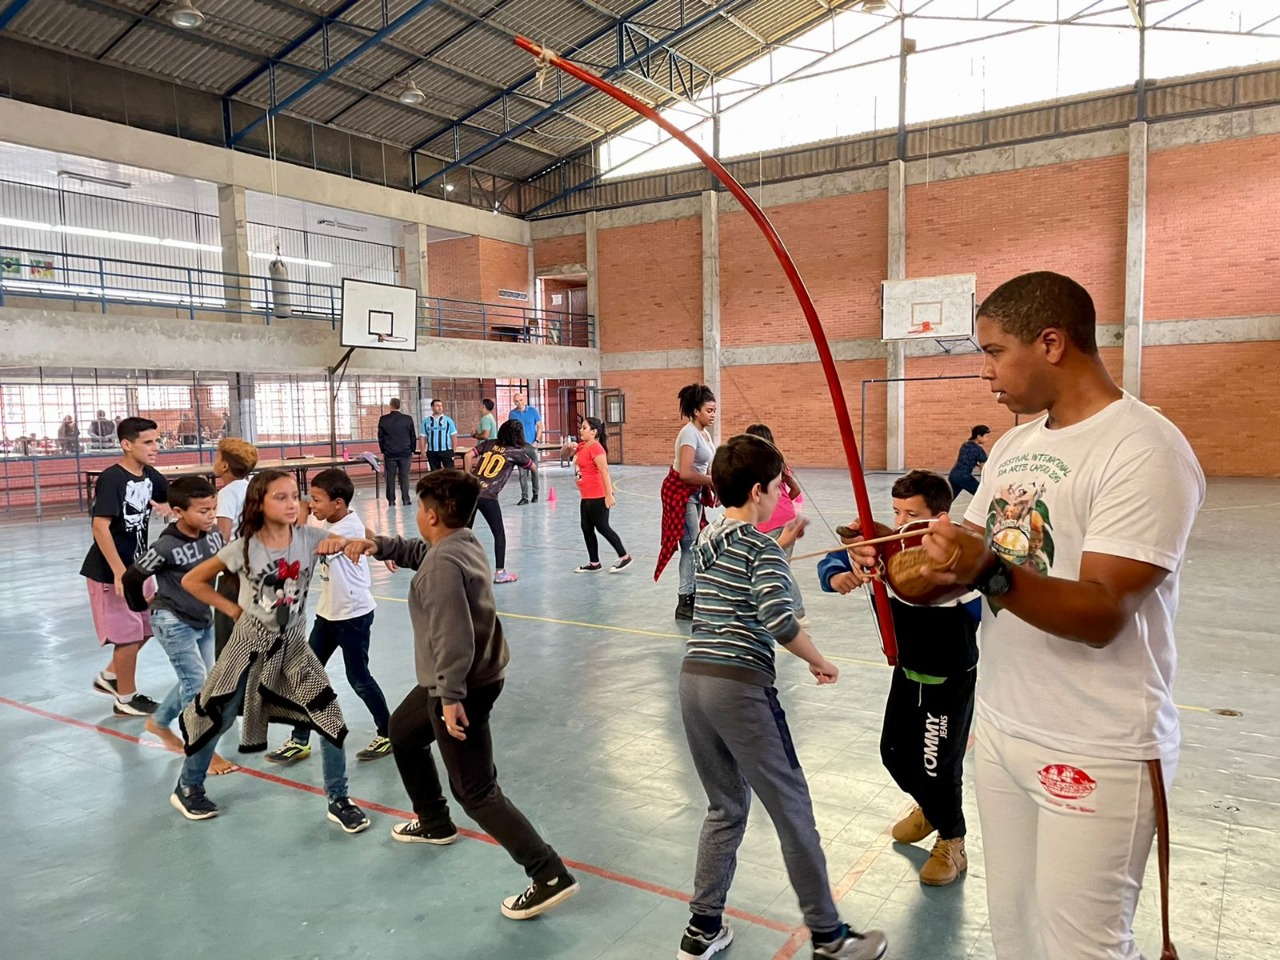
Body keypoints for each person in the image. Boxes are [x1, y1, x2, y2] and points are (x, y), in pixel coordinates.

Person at [850, 271, 1204, 960]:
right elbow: (952, 573)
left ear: (1050, 343)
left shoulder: (1143, 448)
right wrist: (901, 567)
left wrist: (983, 568)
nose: (985, 374)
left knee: (1082, 948)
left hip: (1098, 743)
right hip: (1006, 729)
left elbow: (1104, 611)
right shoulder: (1013, 448)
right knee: (1014, 937)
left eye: (993, 352)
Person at [324, 470, 580, 920]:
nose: (417, 516)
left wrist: (450, 697)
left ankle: (549, 873)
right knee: (402, 732)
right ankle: (434, 821)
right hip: (463, 677)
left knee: (477, 790)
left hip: (462, 684)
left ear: (431, 514)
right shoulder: (460, 541)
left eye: (420, 508)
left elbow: (453, 637)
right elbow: (421, 552)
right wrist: (378, 544)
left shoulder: (443, 565)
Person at [677, 434, 886, 960]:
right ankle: (830, 937)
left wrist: (782, 541)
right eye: (775, 486)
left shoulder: (708, 538)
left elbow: (745, 572)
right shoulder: (761, 547)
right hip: (739, 687)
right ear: (757, 490)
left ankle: (702, 928)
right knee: (792, 809)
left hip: (694, 681)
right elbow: (777, 617)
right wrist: (820, 660)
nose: (778, 493)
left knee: (725, 806)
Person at [172, 470, 370, 833]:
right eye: (280, 497)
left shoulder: (311, 536)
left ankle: (339, 798)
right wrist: (232, 610)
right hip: (248, 647)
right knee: (218, 715)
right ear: (259, 504)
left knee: (329, 717)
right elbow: (192, 581)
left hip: (293, 645)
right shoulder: (244, 546)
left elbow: (355, 540)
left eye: (295, 496)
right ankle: (189, 785)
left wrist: (371, 546)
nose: (292, 503)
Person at [818, 470, 980, 886]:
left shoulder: (955, 559)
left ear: (940, 518)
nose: (902, 522)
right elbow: (839, 558)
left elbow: (987, 601)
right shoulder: (888, 548)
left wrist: (952, 578)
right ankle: (931, 808)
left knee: (938, 767)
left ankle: (952, 838)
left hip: (946, 678)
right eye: (896, 512)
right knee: (893, 753)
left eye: (912, 513)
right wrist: (842, 569)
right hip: (908, 671)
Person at [265, 468, 392, 765]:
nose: (312, 504)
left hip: (353, 615)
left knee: (358, 678)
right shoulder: (342, 519)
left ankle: (388, 732)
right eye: (311, 498)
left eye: (318, 500)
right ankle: (299, 740)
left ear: (337, 503)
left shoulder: (343, 531)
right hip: (328, 614)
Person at [121, 476, 237, 776]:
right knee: (198, 690)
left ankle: (158, 723)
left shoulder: (213, 536)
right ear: (178, 511)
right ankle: (203, 755)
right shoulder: (165, 546)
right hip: (173, 621)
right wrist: (140, 609)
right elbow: (132, 577)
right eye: (203, 511)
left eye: (213, 508)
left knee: (195, 680)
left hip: (202, 618)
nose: (211, 516)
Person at [81, 417, 170, 717]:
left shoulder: (148, 475)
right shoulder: (113, 479)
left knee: (149, 625)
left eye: (156, 441)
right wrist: (119, 571)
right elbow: (100, 527)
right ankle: (126, 698)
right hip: (111, 571)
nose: (155, 447)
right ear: (126, 445)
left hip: (139, 567)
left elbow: (168, 496)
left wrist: (170, 506)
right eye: (148, 442)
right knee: (128, 635)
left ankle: (110, 676)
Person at [655, 383, 717, 621]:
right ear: (696, 411)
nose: (713, 415)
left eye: (714, 410)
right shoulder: (689, 433)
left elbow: (707, 464)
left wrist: (714, 483)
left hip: (695, 492)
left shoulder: (704, 434)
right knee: (690, 545)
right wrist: (713, 482)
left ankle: (692, 592)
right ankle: (685, 601)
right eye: (709, 410)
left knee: (695, 543)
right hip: (680, 491)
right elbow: (686, 473)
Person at [744, 424, 808, 627]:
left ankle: (797, 612)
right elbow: (795, 490)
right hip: (788, 518)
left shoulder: (751, 467)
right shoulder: (778, 462)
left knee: (772, 566)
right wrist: (784, 506)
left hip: (769, 523)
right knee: (780, 566)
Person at [463, 420, 534, 584]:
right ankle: (500, 572)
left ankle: (459, 567)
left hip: (471, 492)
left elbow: (467, 455)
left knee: (464, 532)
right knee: (499, 533)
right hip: (488, 495)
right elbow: (532, 467)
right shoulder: (516, 452)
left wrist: (469, 478)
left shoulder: (488, 444)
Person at [213, 437, 259, 657]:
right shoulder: (251, 488)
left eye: (217, 456)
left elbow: (222, 536)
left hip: (232, 570)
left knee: (226, 633)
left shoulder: (227, 493)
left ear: (224, 465)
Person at [573, 416, 631, 573]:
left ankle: (624, 556)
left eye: (584, 428)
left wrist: (608, 494)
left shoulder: (596, 448)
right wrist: (568, 447)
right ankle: (594, 563)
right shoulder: (581, 446)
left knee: (603, 527)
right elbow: (566, 454)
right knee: (586, 527)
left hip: (597, 494)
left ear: (594, 432)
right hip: (585, 495)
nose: (581, 430)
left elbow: (604, 471)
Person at [378, 397, 417, 506]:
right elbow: (412, 436)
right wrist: (412, 449)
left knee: (390, 477)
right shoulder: (408, 419)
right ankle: (406, 499)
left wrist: (383, 450)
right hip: (405, 452)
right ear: (399, 406)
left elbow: (380, 438)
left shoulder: (383, 419)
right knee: (404, 476)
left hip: (390, 453)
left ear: (390, 406)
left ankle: (391, 500)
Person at [508, 393, 542, 505]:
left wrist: (536, 441)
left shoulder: (532, 411)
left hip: (531, 445)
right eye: (516, 401)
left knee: (534, 470)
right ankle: (524, 497)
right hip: (520, 446)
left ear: (524, 400)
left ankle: (535, 493)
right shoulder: (512, 414)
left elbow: (540, 426)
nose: (519, 403)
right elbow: (511, 430)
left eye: (521, 400)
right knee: (522, 474)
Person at [947, 425, 990, 497]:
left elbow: (966, 459)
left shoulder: (965, 445)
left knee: (948, 499)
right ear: (979, 436)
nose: (987, 439)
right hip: (964, 476)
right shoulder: (979, 450)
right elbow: (983, 468)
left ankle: (936, 508)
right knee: (981, 495)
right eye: (986, 436)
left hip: (954, 474)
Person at [422, 398, 458, 471]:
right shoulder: (426, 421)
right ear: (432, 408)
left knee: (450, 472)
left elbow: (453, 436)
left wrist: (453, 450)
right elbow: (423, 437)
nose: (440, 407)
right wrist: (422, 450)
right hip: (432, 452)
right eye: (437, 406)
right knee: (435, 474)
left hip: (446, 451)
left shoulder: (449, 420)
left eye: (441, 406)